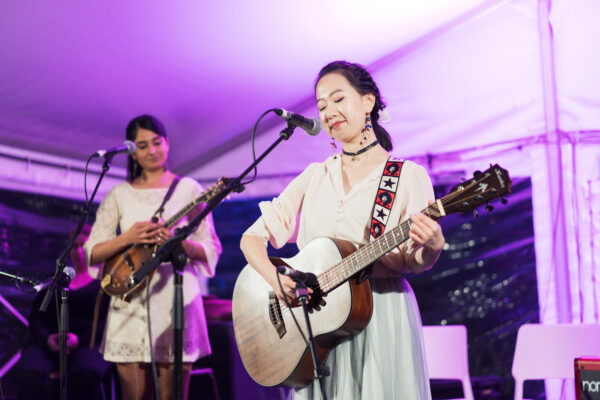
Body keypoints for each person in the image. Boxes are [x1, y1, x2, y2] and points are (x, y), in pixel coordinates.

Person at [240, 61, 445, 399]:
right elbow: (252, 239)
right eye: (321, 106)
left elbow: (416, 260)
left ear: (368, 102)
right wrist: (275, 279)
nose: (329, 112)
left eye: (338, 99)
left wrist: (433, 246)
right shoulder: (315, 175)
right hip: (317, 323)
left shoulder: (407, 176)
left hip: (379, 314)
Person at [83, 115, 222, 400]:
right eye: (143, 146)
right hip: (131, 300)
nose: (152, 151)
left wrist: (179, 245)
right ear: (132, 151)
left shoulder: (189, 189)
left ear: (167, 143)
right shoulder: (119, 194)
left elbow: (210, 247)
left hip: (176, 302)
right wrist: (128, 238)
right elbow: (93, 251)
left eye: (157, 142)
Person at [14, 225, 110, 400]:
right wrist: (47, 339)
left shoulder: (104, 283)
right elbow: (36, 317)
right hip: (50, 343)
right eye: (74, 246)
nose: (79, 252)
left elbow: (109, 323)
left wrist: (79, 340)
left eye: (85, 246)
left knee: (83, 375)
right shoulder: (55, 279)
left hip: (88, 344)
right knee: (28, 371)